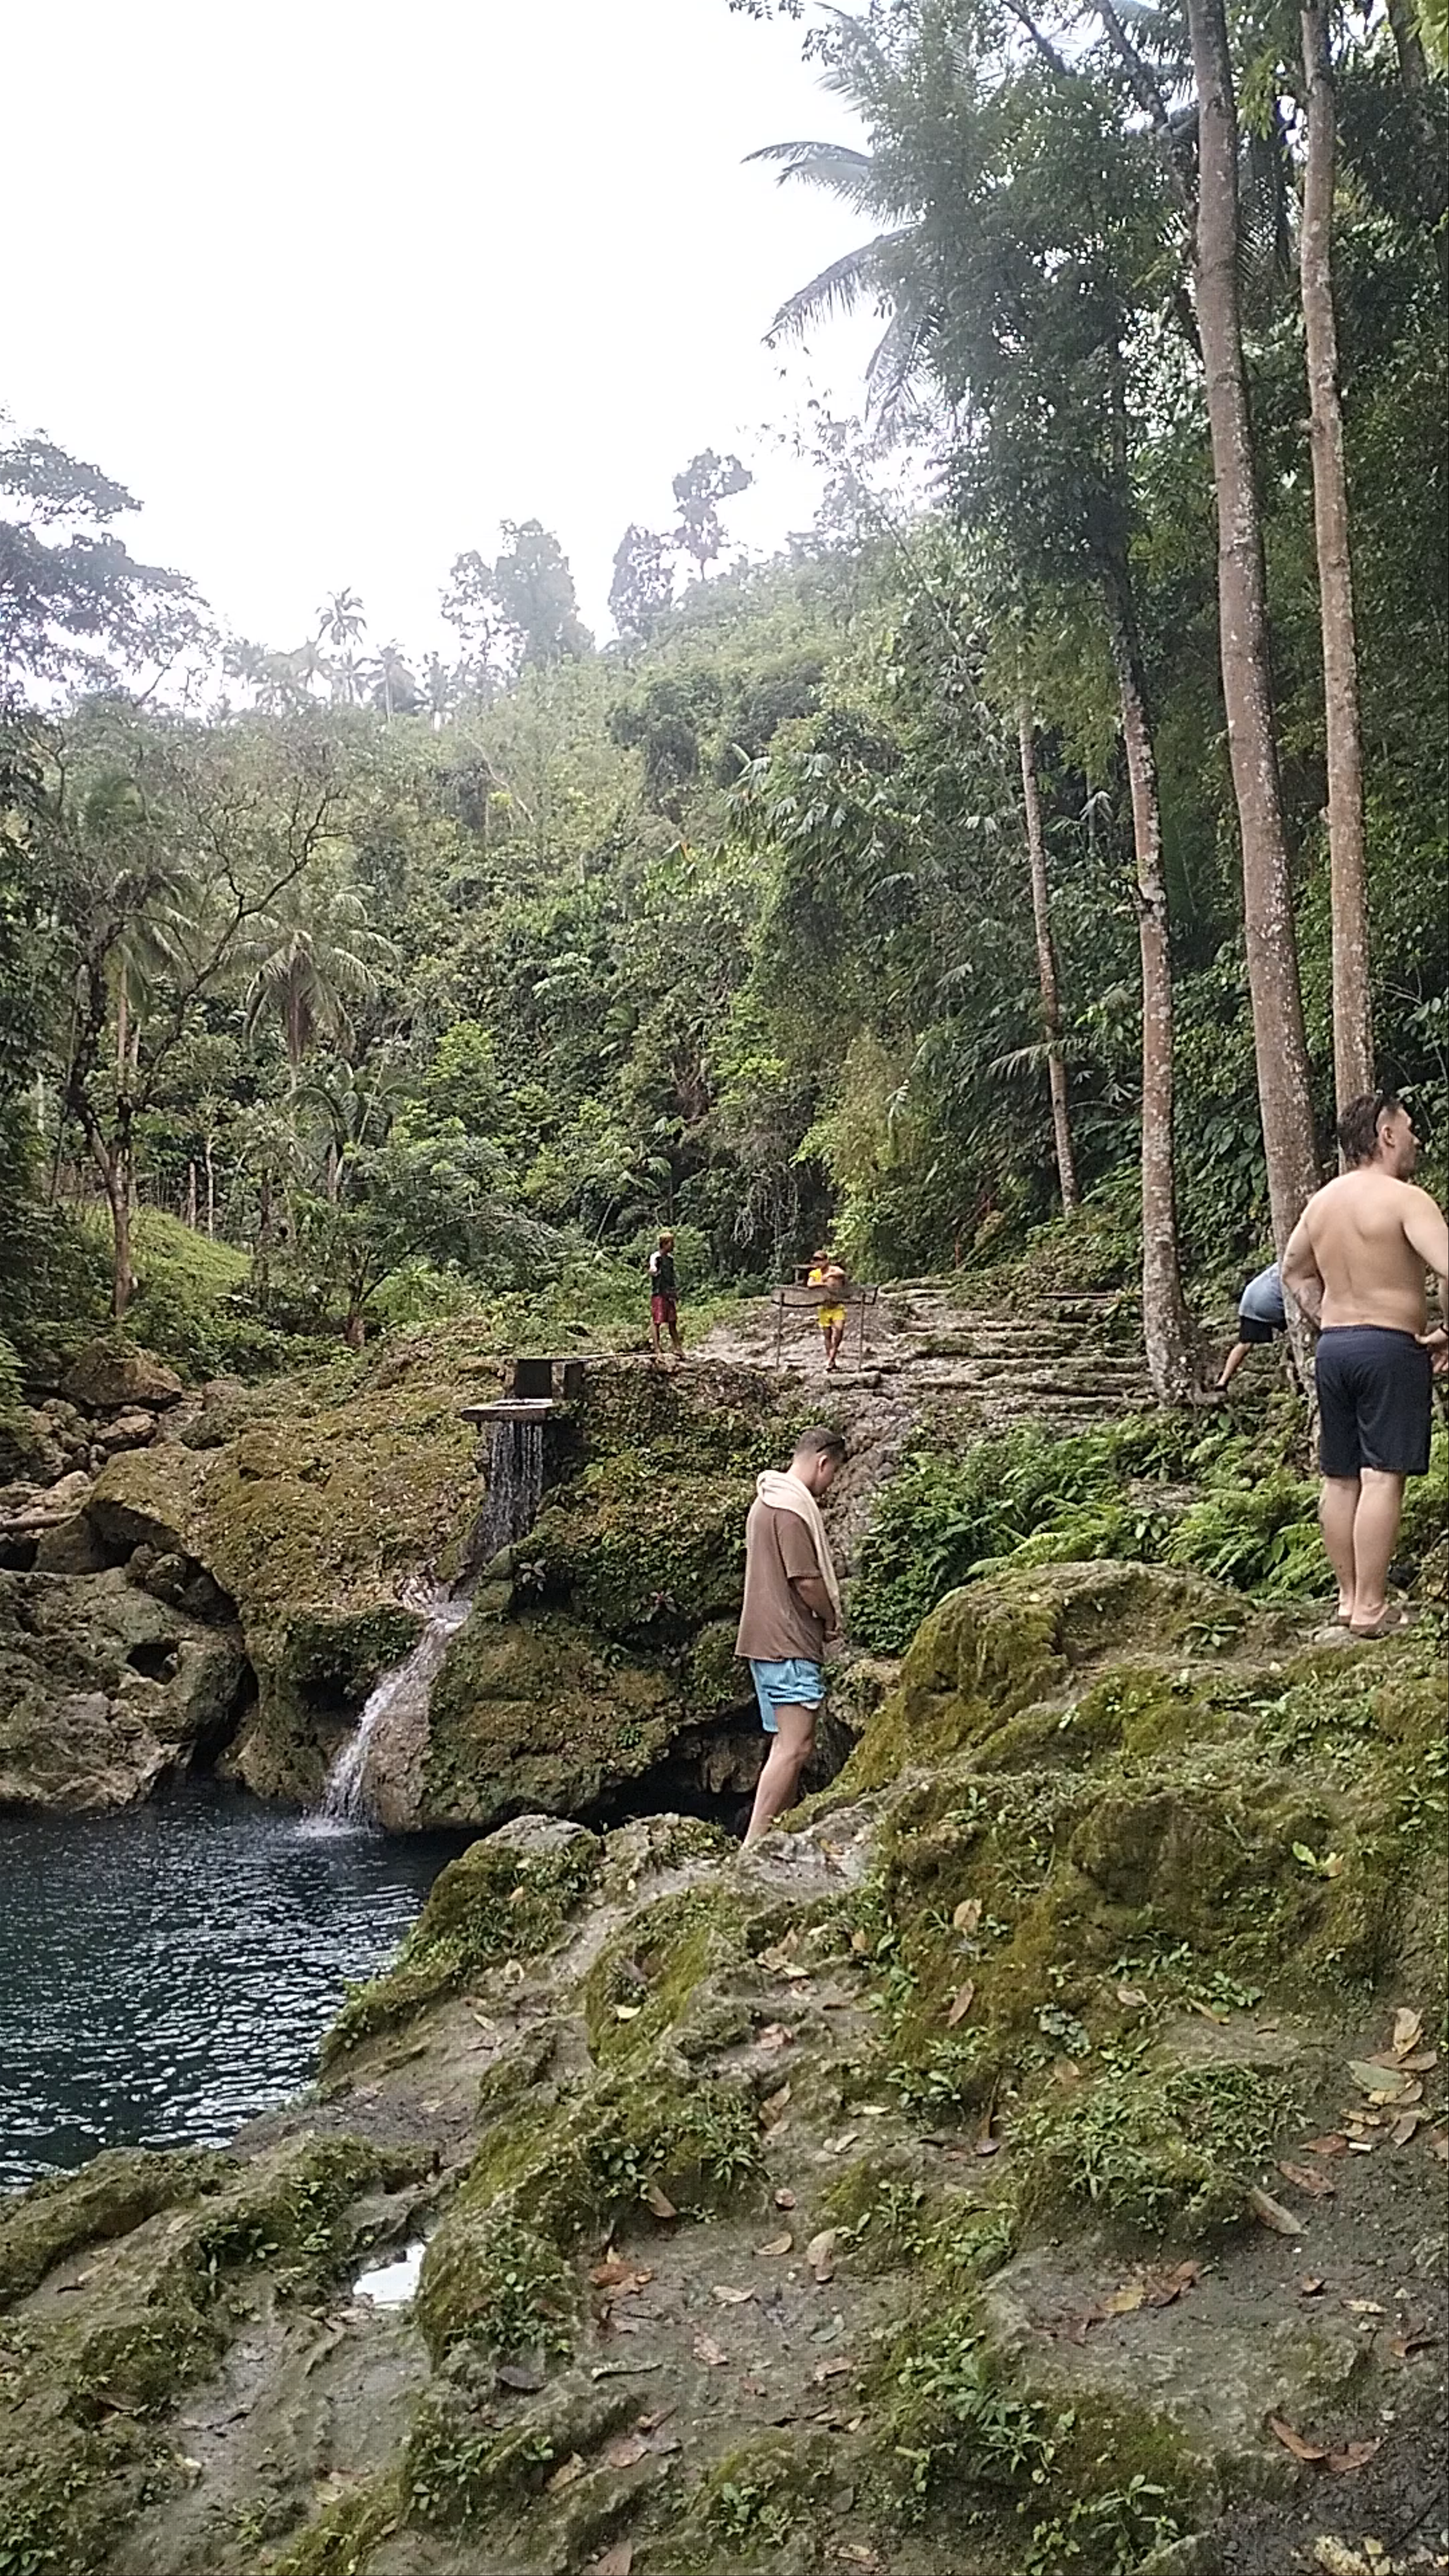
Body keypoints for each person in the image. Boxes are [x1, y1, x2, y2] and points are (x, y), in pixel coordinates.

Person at [1282, 1091, 1448, 1638]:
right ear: (1386, 1134)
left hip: (1335, 1346)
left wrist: (1325, 1315)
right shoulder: (1407, 1200)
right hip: (1388, 1345)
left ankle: (1348, 1598)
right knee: (1382, 1475)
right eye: (1409, 1127)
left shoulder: (1322, 1203)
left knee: (1340, 1474)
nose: (1417, 1138)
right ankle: (1373, 1607)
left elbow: (1294, 1271)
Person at [736, 1426, 847, 1845]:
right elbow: (805, 1580)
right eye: (833, 1472)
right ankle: (753, 1844)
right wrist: (831, 1615)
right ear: (823, 1461)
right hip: (788, 1642)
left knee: (786, 1742)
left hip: (762, 1640)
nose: (830, 1483)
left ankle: (777, 1833)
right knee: (796, 1746)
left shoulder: (766, 1499)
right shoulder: (791, 1508)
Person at [1217, 1260, 1287, 1387]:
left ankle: (1223, 1380)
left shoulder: (1284, 1259)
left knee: (1245, 1344)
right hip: (1269, 1302)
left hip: (1250, 1297)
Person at [808, 1251, 849, 1375]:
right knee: (827, 1335)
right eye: (816, 1260)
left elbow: (842, 1273)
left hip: (837, 1306)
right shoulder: (815, 1273)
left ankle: (832, 1358)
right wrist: (823, 1283)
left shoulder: (834, 1269)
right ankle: (831, 1361)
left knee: (839, 1330)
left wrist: (830, 1275)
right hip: (824, 1307)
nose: (818, 1263)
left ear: (826, 1260)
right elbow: (810, 1284)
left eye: (820, 1260)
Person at [648, 1229, 683, 1363]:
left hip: (669, 1293)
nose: (672, 1246)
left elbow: (671, 1277)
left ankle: (678, 1347)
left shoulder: (670, 1260)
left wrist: (675, 1292)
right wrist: (654, 1271)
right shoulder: (656, 1257)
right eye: (670, 1243)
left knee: (673, 1321)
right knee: (657, 1321)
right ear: (664, 1244)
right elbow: (653, 1269)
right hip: (659, 1293)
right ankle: (657, 1349)